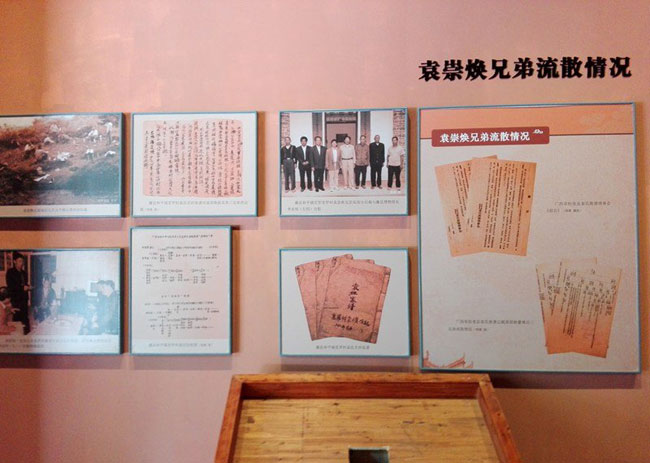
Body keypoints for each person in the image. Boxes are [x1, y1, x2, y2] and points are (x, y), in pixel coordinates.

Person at [5, 252, 31, 334]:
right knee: (17, 318)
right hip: (16, 299)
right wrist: (22, 288)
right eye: (19, 261)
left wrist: (28, 287)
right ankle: (17, 335)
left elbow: (24, 284)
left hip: (24, 299)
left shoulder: (24, 273)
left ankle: (27, 334)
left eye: (22, 261)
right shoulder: (10, 272)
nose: (21, 263)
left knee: (25, 317)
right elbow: (11, 286)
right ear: (14, 261)